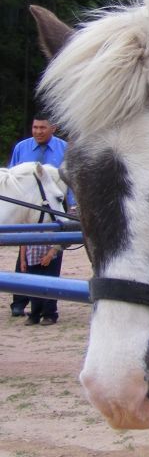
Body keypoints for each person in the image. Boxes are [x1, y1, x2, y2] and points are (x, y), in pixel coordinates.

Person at [7, 113, 68, 323]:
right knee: (24, 253)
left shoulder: (64, 149)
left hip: (53, 207)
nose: (38, 132)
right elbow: (10, 177)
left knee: (53, 252)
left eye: (42, 128)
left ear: (53, 128)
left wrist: (73, 205)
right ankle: (19, 302)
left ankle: (48, 307)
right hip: (27, 209)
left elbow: (71, 179)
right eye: (35, 128)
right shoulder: (22, 148)